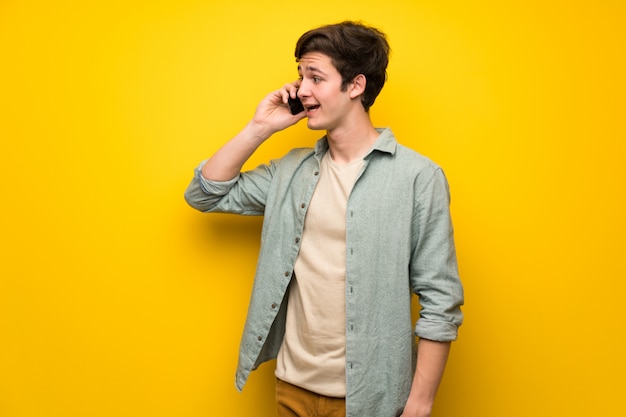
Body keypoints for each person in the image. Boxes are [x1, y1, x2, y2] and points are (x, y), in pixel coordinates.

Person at [184, 21, 464, 417]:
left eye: (315, 77)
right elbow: (204, 194)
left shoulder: (417, 177)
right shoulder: (291, 172)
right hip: (291, 388)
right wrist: (260, 127)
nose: (301, 90)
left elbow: (440, 299)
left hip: (371, 399)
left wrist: (419, 403)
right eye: (300, 77)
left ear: (355, 86)